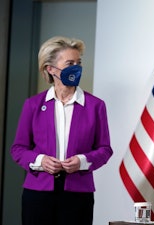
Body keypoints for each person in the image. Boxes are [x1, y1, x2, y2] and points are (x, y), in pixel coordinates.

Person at [10, 36, 113, 225]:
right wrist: (41, 160)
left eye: (79, 63)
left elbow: (105, 149)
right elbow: (18, 149)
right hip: (37, 194)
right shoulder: (33, 105)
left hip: (78, 194)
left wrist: (82, 161)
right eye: (70, 63)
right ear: (50, 69)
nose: (77, 68)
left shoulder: (96, 106)